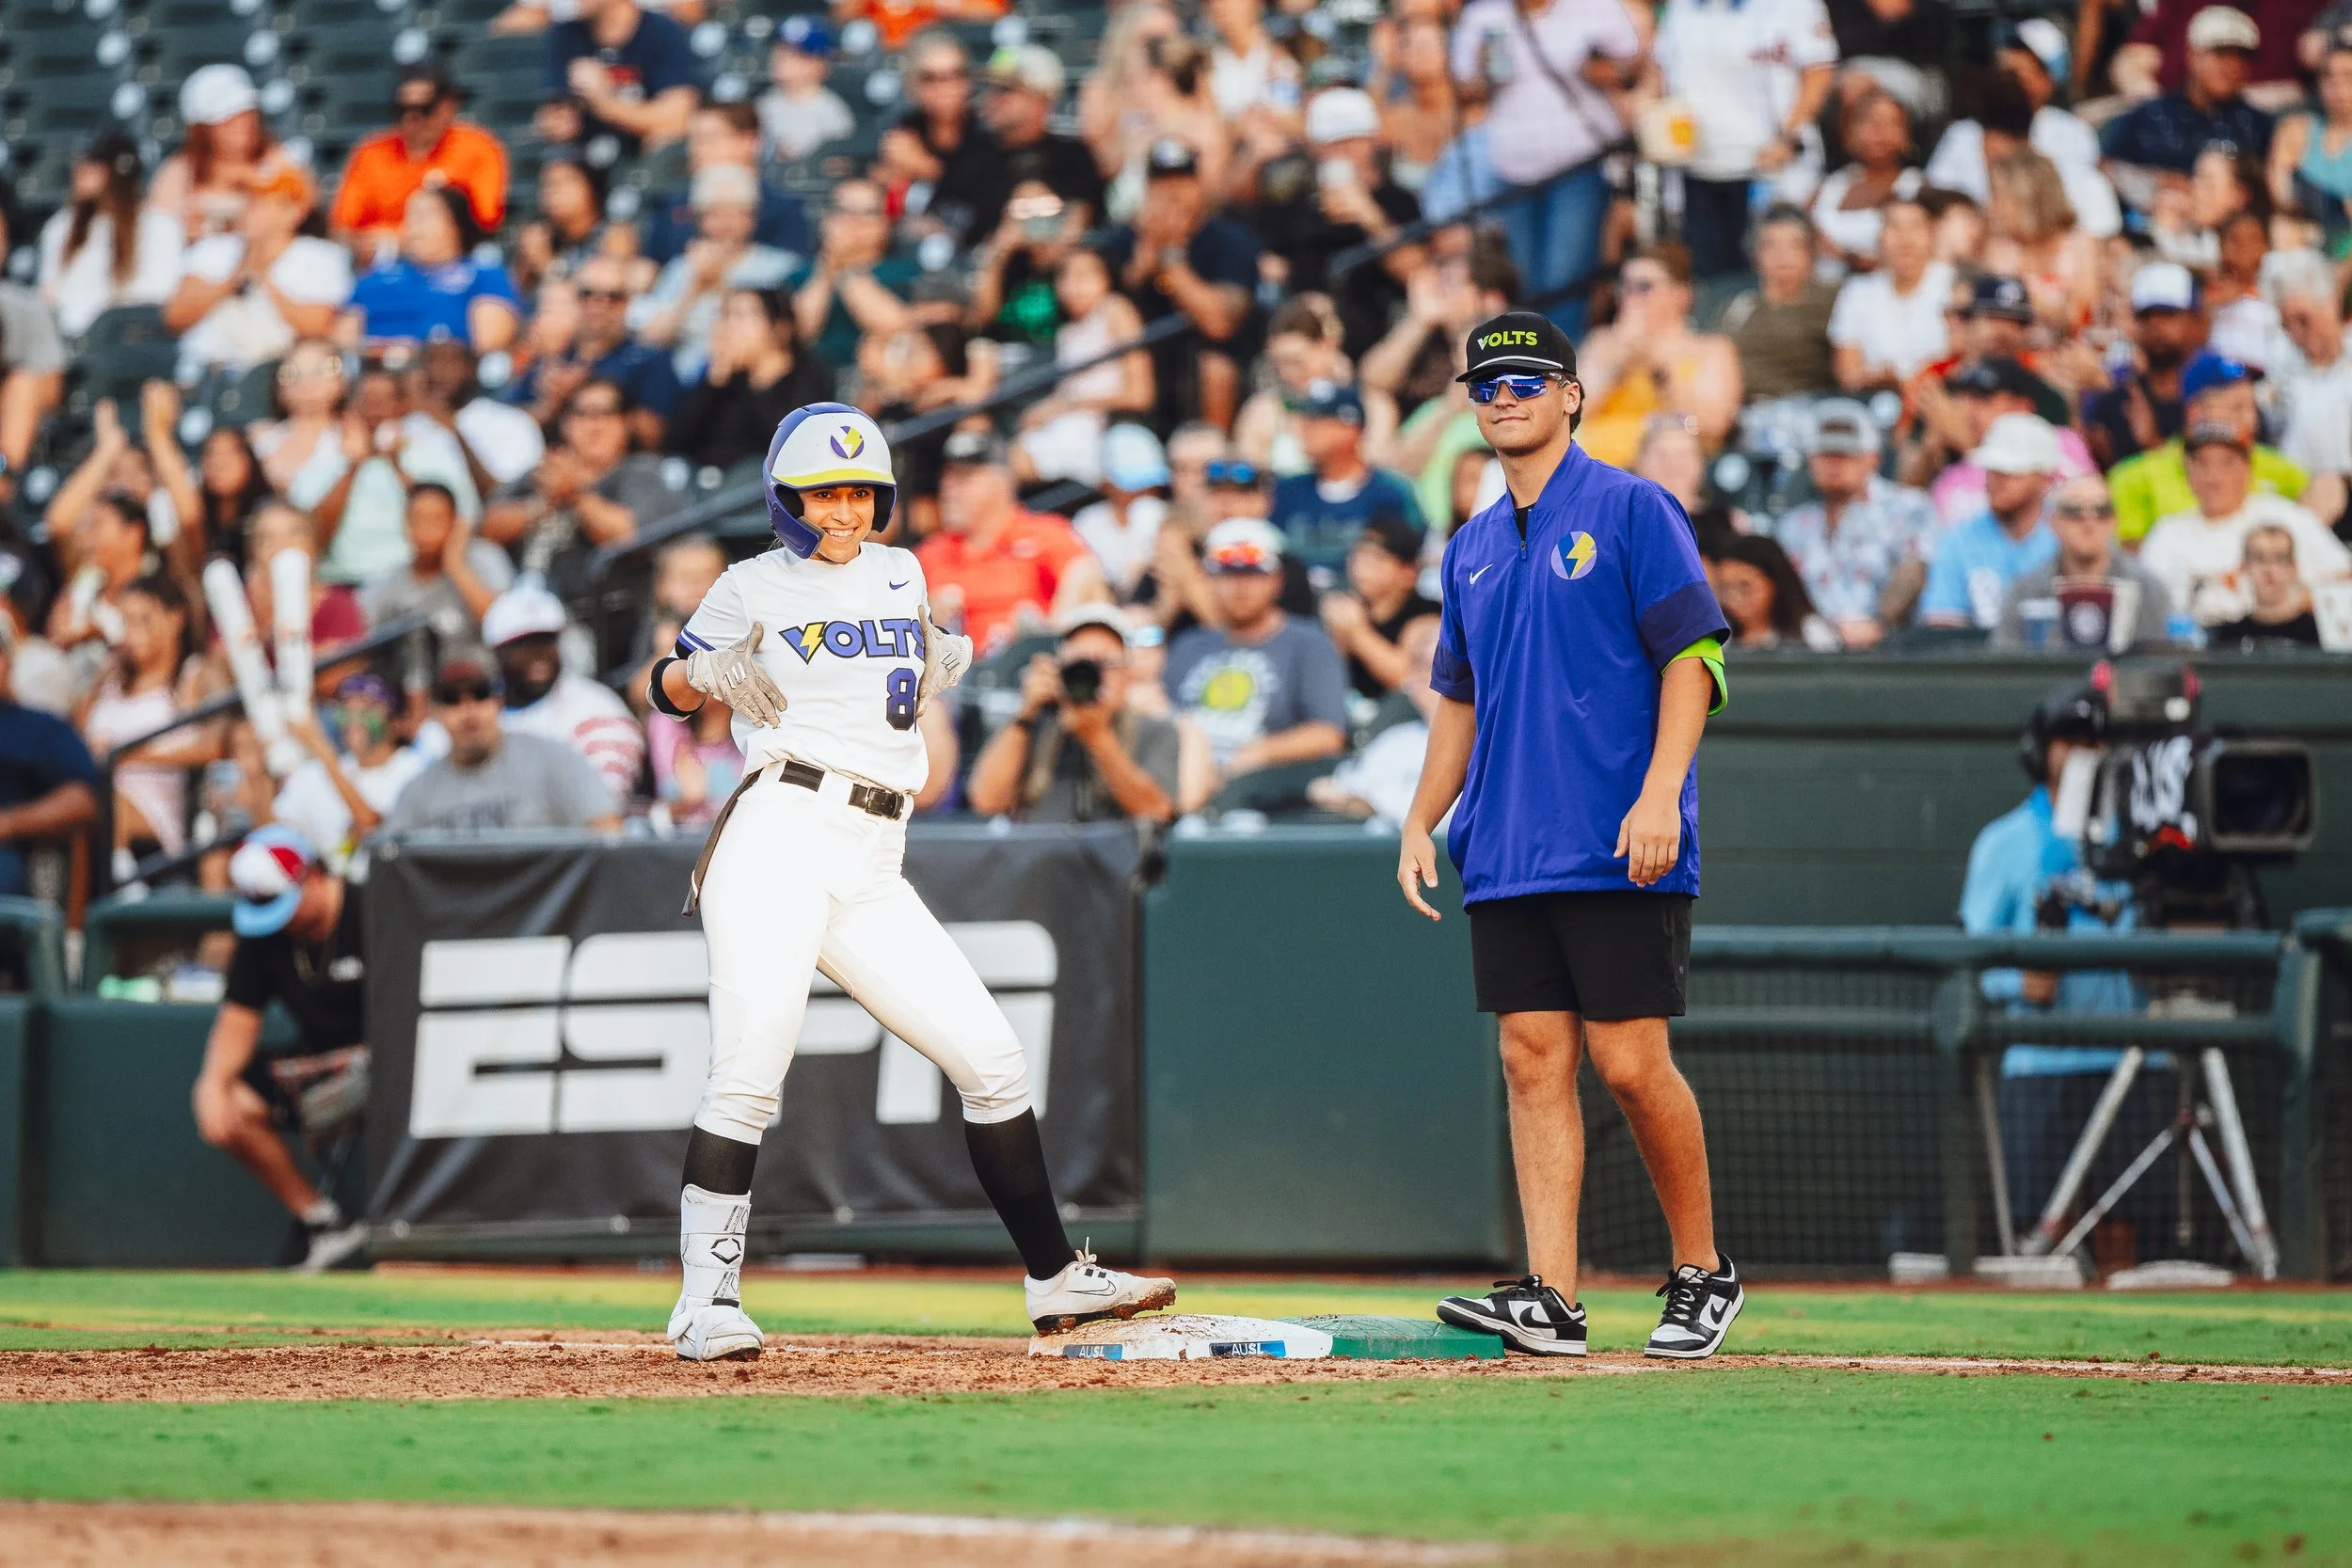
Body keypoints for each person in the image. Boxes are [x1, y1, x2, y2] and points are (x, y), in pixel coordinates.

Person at [644, 401, 1175, 1359]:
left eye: (859, 491)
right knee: (749, 1072)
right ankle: (704, 1301)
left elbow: (905, 659)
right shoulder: (749, 580)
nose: (844, 510)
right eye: (824, 492)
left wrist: (935, 654)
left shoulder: (901, 568)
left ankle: (1054, 1276)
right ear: (786, 497)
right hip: (779, 828)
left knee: (994, 1060)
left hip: (875, 849)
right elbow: (664, 682)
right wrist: (704, 675)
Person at [1395, 310, 1739, 1360]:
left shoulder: (1635, 507)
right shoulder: (1467, 546)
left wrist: (1659, 792)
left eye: (1527, 382)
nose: (1505, 399)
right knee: (1531, 1057)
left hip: (1617, 832)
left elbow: (1696, 658)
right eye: (1488, 387)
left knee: (1632, 1062)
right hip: (1505, 842)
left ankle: (1700, 1268)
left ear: (1572, 395)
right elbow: (1456, 697)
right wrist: (1420, 815)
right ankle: (1551, 1292)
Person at [1961, 684, 2160, 1254]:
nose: (2083, 753)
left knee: (2126, 1228)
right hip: (2042, 1062)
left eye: (2095, 741)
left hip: (2132, 1059)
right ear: (2041, 749)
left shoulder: (2143, 841)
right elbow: (1973, 958)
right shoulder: (2005, 841)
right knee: (2047, 1232)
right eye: (2069, 740)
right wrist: (2018, 983)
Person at [196, 826, 371, 1273]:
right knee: (228, 1102)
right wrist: (212, 1083)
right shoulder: (266, 935)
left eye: (283, 904)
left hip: (392, 1069)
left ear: (312, 876)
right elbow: (238, 1019)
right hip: (320, 1067)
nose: (280, 919)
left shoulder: (372, 909)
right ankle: (322, 1220)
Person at [1449, 0, 1642, 335]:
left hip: (1577, 165)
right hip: (1512, 172)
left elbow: (1635, 66)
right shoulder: (1483, 15)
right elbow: (1464, 88)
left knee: (1566, 276)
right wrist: (1483, 72)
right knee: (1521, 277)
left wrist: (1602, 70)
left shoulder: (1595, 7)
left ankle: (1560, 372)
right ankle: (1529, 364)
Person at [1653, 0, 1837, 281]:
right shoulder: (1682, 6)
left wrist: (1788, 137)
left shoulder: (1796, 5)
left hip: (1770, 166)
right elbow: (1659, 71)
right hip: (1698, 164)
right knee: (1709, 278)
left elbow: (1819, 74)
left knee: (1776, 274)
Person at [1164, 519, 1350, 787]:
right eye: (1227, 575)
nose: (1240, 587)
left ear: (1277, 580)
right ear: (1209, 581)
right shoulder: (1187, 645)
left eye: (1252, 574)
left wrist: (1259, 753)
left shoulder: (1309, 642)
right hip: (1185, 779)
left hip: (1266, 790)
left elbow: (1328, 734)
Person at [1098, 140, 1260, 431]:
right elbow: (1101, 310)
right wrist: (1142, 261)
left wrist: (1169, 256)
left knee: (1215, 368)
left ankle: (1211, 455)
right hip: (1140, 362)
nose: (1172, 193)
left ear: (1199, 185)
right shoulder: (1122, 241)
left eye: (1182, 181)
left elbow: (1219, 324)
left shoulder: (1230, 238)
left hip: (1205, 360)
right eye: (1162, 183)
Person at [966, 608, 1182, 823]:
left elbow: (1158, 810)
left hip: (1119, 854)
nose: (1090, 675)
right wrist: (1026, 714)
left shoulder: (1155, 729)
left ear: (1127, 673)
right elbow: (986, 801)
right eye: (1079, 664)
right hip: (1038, 852)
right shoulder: (1035, 725)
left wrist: (1097, 737)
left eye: (1103, 664)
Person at [1254, 87, 1424, 360]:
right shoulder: (1297, 204)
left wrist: (1370, 217)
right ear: (1316, 149)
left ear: (1372, 141)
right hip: (1301, 327)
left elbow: (1417, 275)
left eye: (1352, 141)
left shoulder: (1398, 201)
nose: (1343, 152)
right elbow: (1271, 264)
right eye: (1331, 144)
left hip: (1374, 327)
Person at [485, 378, 689, 595]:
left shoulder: (640, 472)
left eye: (606, 413)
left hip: (609, 606)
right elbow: (486, 530)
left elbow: (634, 540)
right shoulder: (547, 471)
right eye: (582, 414)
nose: (593, 426)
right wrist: (544, 504)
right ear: (565, 424)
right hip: (530, 598)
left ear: (626, 423)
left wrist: (576, 496)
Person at [2138, 421, 2352, 624]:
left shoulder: (2286, 516)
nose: (2213, 476)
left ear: (2247, 468)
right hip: (2199, 652)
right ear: (2187, 470)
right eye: (2202, 463)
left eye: (2227, 463)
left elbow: (2344, 576)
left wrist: (2294, 603)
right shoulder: (2167, 534)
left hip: (2280, 644)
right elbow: (2146, 608)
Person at [915, 431, 1104, 656]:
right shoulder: (930, 553)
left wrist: (1049, 633)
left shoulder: (1044, 533)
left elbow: (1090, 583)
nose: (948, 489)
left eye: (963, 478)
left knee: (1083, 573)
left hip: (1029, 670)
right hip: (958, 676)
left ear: (1002, 481)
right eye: (946, 478)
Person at [382, 657, 619, 833]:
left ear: (499, 701)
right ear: (435, 713)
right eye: (452, 700)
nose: (468, 712)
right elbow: (395, 869)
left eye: (480, 694)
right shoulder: (417, 794)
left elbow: (609, 835)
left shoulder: (554, 761)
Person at [161, 161, 353, 372]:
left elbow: (317, 326)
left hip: (277, 373)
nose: (250, 207)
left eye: (263, 200)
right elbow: (175, 317)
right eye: (247, 197)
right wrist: (237, 275)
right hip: (207, 372)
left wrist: (263, 275)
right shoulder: (212, 248)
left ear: (294, 211)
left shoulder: (320, 256)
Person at [75, 574, 211, 866]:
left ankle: (124, 889)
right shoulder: (109, 679)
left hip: (154, 817)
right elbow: (74, 738)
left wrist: (128, 755)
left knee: (105, 801)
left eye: (144, 620)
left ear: (175, 619)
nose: (133, 633)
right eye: (126, 622)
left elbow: (213, 747)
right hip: (95, 798)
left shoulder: (191, 677)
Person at [2108, 351, 2314, 542]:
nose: (2252, 420)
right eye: (2237, 408)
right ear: (2195, 413)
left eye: (2253, 407)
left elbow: (2320, 502)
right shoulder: (2133, 477)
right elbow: (2128, 557)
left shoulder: (2279, 466)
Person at [1574, 244, 1743, 467]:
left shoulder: (1710, 349)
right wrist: (1617, 364)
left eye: (1644, 287)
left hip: (1670, 471)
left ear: (1681, 294)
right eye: (1625, 286)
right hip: (1595, 469)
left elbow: (1712, 427)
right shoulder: (1602, 342)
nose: (1631, 296)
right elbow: (1570, 416)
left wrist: (1660, 371)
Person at [481, 583, 645, 809]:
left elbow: (603, 806)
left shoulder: (596, 708)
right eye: (523, 643)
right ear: (497, 652)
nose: (539, 653)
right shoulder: (470, 712)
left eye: (546, 639)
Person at [630, 165, 798, 384]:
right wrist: (696, 287)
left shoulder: (778, 268)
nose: (725, 224)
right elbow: (651, 338)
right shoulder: (681, 268)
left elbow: (786, 338)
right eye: (715, 214)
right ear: (699, 219)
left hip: (748, 382)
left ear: (752, 217)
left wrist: (720, 285)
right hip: (681, 382)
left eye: (736, 213)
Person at [328, 62, 509, 258]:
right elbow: (342, 227)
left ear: (448, 106)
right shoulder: (372, 152)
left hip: (456, 259)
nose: (411, 118)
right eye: (402, 109)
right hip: (382, 262)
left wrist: (404, 238)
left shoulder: (477, 148)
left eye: (424, 109)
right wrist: (369, 244)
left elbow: (484, 222)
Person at [2101, 5, 2276, 198]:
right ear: (2192, 55)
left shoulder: (2257, 126)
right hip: (2152, 219)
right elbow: (2107, 166)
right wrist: (2158, 185)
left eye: (2242, 57)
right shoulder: (2151, 115)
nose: (2232, 66)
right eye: (2222, 53)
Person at [508, 255, 682, 447]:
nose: (599, 305)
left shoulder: (650, 358)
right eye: (588, 294)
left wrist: (583, 395)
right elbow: (508, 424)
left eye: (613, 297)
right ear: (575, 299)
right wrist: (548, 407)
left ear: (628, 302)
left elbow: (653, 436)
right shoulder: (553, 358)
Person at [1993, 474, 2177, 651]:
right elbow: (2006, 668)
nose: (2089, 523)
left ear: (2114, 521)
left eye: (2102, 511)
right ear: (2053, 522)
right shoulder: (2025, 592)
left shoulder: (2148, 589)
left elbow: (2161, 665)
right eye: (2075, 512)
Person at [1920, 413, 2063, 631]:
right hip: (1978, 662)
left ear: (2045, 479)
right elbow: (1942, 626)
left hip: (2054, 661)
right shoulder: (1958, 540)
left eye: (2012, 472)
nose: (1998, 481)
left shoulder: (2066, 537)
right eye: (1993, 470)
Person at [1268, 382, 1425, 578]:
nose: (1303, 429)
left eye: (1315, 421)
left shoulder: (1392, 492)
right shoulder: (1286, 490)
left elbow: (1411, 559)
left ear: (1350, 428)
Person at [269, 673, 428, 867]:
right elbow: (272, 830)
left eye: (368, 707)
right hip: (335, 886)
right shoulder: (316, 772)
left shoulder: (412, 768)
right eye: (347, 706)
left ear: (397, 721)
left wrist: (321, 749)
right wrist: (256, 774)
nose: (354, 717)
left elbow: (373, 827)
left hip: (388, 886)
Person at [38, 131, 184, 339]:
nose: (80, 169)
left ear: (117, 171)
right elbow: (49, 295)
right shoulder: (60, 226)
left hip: (131, 342)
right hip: (70, 344)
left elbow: (157, 297)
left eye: (93, 163)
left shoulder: (160, 227)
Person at [666, 288, 833, 469]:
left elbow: (787, 444)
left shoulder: (807, 375)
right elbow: (674, 444)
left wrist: (758, 383)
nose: (728, 327)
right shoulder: (725, 380)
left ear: (780, 328)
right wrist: (715, 380)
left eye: (740, 316)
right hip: (710, 485)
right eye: (725, 316)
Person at [344, 187, 522, 355]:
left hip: (443, 373)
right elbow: (343, 339)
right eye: (410, 216)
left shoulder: (483, 275)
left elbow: (489, 342)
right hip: (374, 372)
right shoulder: (377, 277)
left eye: (425, 216)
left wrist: (416, 353)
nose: (415, 226)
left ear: (455, 225)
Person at [639, 103, 815, 269]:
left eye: (708, 139)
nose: (695, 150)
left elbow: (792, 271)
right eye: (692, 140)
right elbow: (653, 265)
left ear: (750, 142)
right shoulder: (671, 204)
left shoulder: (782, 208)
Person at [359, 482, 512, 667]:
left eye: (436, 519)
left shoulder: (485, 558)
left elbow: (504, 626)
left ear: (456, 523)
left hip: (482, 683)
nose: (425, 529)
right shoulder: (390, 582)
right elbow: (359, 637)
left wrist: (456, 566)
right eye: (417, 519)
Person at [880, 31, 1010, 246]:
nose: (945, 88)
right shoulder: (902, 130)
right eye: (930, 78)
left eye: (956, 75)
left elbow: (991, 197)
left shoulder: (991, 133)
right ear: (912, 85)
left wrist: (930, 170)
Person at [2083, 261, 2209, 467]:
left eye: (2168, 316)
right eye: (2146, 317)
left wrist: (2153, 444)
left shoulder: (2222, 397)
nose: (2156, 326)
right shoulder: (2116, 403)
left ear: (2196, 321)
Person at [540, 0, 703, 155]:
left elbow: (677, 116)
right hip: (586, 157)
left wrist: (605, 103)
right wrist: (558, 124)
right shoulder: (566, 34)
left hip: (642, 157)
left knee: (664, 141)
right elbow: (557, 112)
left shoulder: (662, 31)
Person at [1718, 207, 1841, 404]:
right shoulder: (1737, 305)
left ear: (1811, 253)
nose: (1783, 255)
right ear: (1756, 255)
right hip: (1737, 409)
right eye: (1771, 246)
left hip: (1804, 408)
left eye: (1794, 245)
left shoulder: (1834, 302)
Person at [1828, 198, 1952, 391]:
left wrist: (1904, 381)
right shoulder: (1858, 291)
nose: (1905, 239)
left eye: (1915, 227)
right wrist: (1872, 376)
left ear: (1932, 235)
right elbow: (1847, 369)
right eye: (1895, 227)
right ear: (1879, 237)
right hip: (1876, 399)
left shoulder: (1954, 284)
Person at [1321, 514, 1441, 699]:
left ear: (1409, 573)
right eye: (1358, 555)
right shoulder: (1348, 605)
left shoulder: (1427, 615)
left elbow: (1405, 679)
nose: (1362, 566)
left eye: (1376, 558)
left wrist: (1356, 632)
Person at [985, 43, 1107, 225]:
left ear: (1041, 99)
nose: (993, 98)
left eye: (1006, 90)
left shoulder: (1072, 158)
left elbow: (1084, 218)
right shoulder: (973, 152)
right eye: (991, 88)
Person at [151, 64, 277, 241]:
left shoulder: (277, 161)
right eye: (228, 119)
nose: (243, 125)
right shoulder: (178, 173)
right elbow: (161, 232)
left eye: (247, 114)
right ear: (203, 128)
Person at [1809, 89, 1926, 274]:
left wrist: (1850, 259)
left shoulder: (1919, 189)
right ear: (1849, 133)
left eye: (1890, 123)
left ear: (1906, 136)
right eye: (1869, 122)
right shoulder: (1829, 188)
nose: (1879, 132)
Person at [1070, 425, 1170, 602]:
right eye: (1133, 485)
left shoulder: (1164, 516)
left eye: (1149, 482)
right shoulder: (1088, 522)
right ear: (1107, 485)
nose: (1143, 491)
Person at [2268, 36, 2352, 232]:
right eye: (2328, 76)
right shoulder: (2295, 130)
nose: (2337, 86)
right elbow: (2283, 197)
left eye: (2348, 76)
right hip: (2300, 239)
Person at [757, 16, 855, 164]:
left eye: (794, 54)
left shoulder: (832, 111)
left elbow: (839, 164)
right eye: (778, 50)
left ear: (820, 64)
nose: (779, 58)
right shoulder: (763, 102)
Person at [2208, 523, 2327, 644]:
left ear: (2294, 567)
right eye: (2259, 558)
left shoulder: (2322, 634)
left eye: (2279, 559)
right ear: (2244, 566)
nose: (2269, 569)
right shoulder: (2227, 637)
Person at [1717, 533, 1840, 649]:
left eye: (1745, 587)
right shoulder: (1718, 637)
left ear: (1775, 584)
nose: (1733, 598)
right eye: (1725, 588)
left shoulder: (1811, 634)